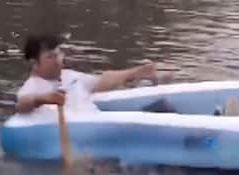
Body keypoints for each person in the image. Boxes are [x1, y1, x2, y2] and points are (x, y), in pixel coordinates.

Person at [15, 33, 164, 114]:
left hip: (97, 124)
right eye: (50, 57)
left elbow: (102, 81)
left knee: (160, 108)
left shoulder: (69, 75)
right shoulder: (33, 86)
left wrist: (138, 72)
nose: (58, 60)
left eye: (58, 54)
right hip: (81, 135)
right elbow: (22, 105)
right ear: (34, 63)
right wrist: (44, 99)